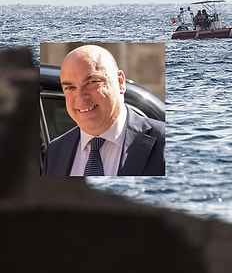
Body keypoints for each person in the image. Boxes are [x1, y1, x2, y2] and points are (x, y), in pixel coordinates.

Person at [42, 45, 165, 176]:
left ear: (120, 82)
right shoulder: (55, 151)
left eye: (92, 82)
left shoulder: (165, 141)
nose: (81, 97)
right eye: (70, 88)